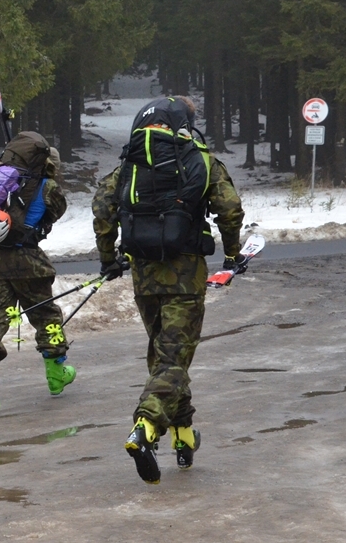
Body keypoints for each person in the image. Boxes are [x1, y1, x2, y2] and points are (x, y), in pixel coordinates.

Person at [92, 96, 244, 484]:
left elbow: (102, 210)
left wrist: (109, 259)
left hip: (144, 279)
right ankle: (144, 427)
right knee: (174, 360)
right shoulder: (197, 158)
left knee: (167, 357)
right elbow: (229, 207)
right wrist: (232, 254)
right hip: (185, 277)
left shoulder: (128, 164)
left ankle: (184, 437)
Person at [0, 134, 73, 413]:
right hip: (28, 263)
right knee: (46, 315)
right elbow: (56, 210)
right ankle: (56, 373)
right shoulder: (48, 187)